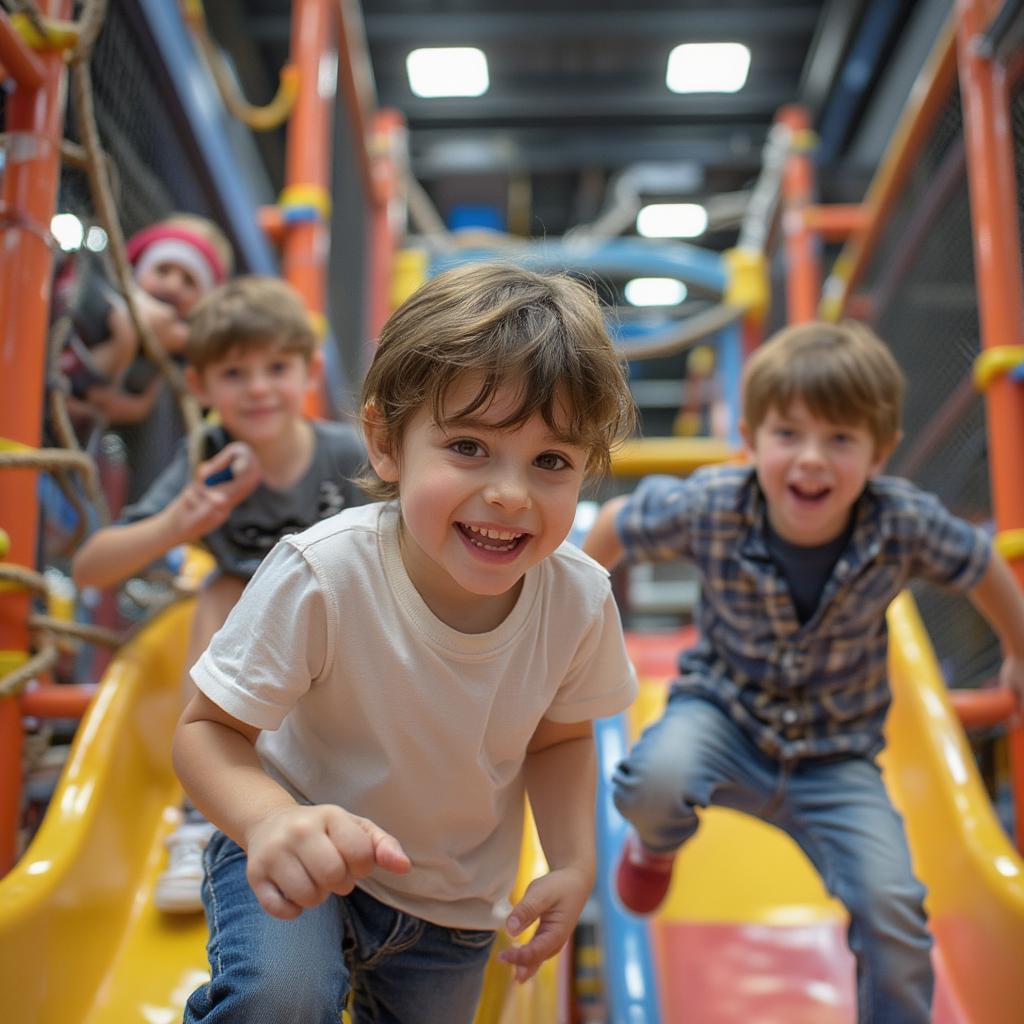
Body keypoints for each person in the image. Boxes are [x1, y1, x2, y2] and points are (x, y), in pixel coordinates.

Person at [171, 262, 639, 1023]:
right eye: (469, 448)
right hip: (301, 842)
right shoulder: (323, 574)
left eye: (551, 461)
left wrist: (574, 862)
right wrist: (266, 821)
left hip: (451, 904)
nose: (510, 493)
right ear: (388, 445)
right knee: (280, 1000)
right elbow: (207, 731)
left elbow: (560, 741)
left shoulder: (578, 601)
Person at [582, 319, 1024, 1023]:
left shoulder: (900, 523)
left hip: (836, 758)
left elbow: (979, 565)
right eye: (788, 434)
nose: (811, 459)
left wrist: (1019, 649)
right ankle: (656, 846)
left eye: (840, 440)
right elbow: (614, 527)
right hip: (721, 718)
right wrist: (573, 621)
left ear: (879, 454)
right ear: (752, 440)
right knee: (651, 782)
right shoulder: (713, 505)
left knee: (895, 913)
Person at [72, 274, 367, 913]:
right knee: (225, 584)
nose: (259, 387)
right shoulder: (207, 457)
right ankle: (199, 816)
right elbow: (91, 568)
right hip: (253, 663)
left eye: (276, 367)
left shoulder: (346, 454)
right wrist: (182, 520)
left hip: (338, 633)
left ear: (308, 371)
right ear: (201, 387)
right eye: (235, 373)